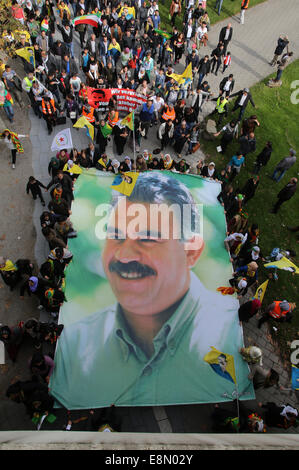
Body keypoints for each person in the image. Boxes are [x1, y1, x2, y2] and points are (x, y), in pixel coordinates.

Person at [50, 172, 242, 408]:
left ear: (191, 252)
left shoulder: (227, 336)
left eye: (148, 238)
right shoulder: (76, 344)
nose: (125, 255)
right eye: (116, 236)